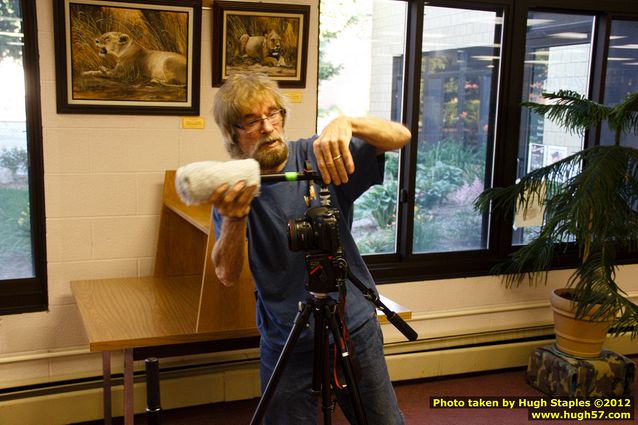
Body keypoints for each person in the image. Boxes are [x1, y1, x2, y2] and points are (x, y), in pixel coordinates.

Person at [210, 72, 411, 424]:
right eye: (253, 121)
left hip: (350, 324)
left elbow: (401, 137)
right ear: (233, 135)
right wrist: (235, 217)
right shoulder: (235, 187)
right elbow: (226, 274)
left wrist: (348, 123)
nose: (269, 127)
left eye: (274, 114)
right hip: (286, 333)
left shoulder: (319, 156)